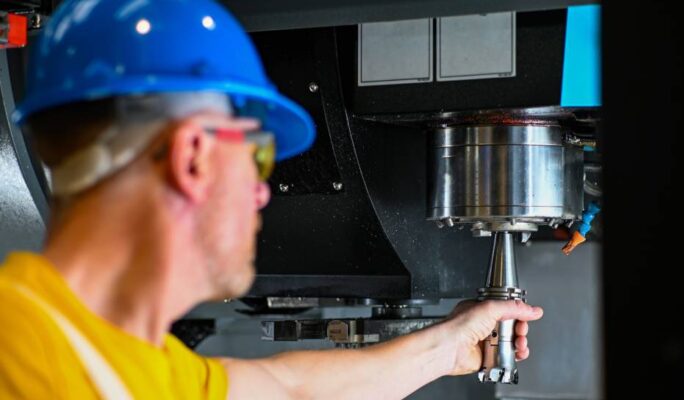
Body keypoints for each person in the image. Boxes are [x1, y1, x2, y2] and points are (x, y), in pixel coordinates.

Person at [0, 0, 544, 398]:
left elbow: (288, 389)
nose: (263, 192)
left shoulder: (129, 366)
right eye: (258, 158)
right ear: (194, 158)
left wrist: (445, 348)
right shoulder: (26, 356)